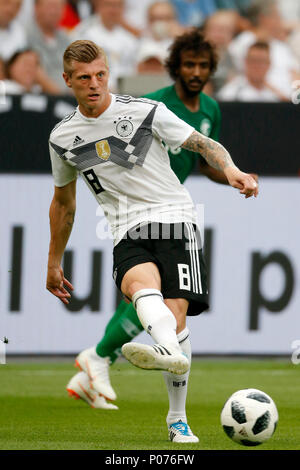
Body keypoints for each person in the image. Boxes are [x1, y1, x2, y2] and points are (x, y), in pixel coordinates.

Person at [47, 39, 258, 443]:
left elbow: (203, 144)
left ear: (108, 73)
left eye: (101, 75)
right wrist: (54, 261)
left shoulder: (144, 111)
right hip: (126, 229)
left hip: (176, 219)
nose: (94, 84)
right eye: (84, 78)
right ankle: (168, 355)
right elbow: (63, 203)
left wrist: (232, 171)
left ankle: (176, 415)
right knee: (141, 289)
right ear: (68, 80)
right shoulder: (63, 137)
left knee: (175, 317)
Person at [217, 41, 289, 102]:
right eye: (253, 60)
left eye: (262, 61)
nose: (257, 66)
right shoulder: (231, 92)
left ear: (269, 64)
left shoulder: (278, 91)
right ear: (245, 62)